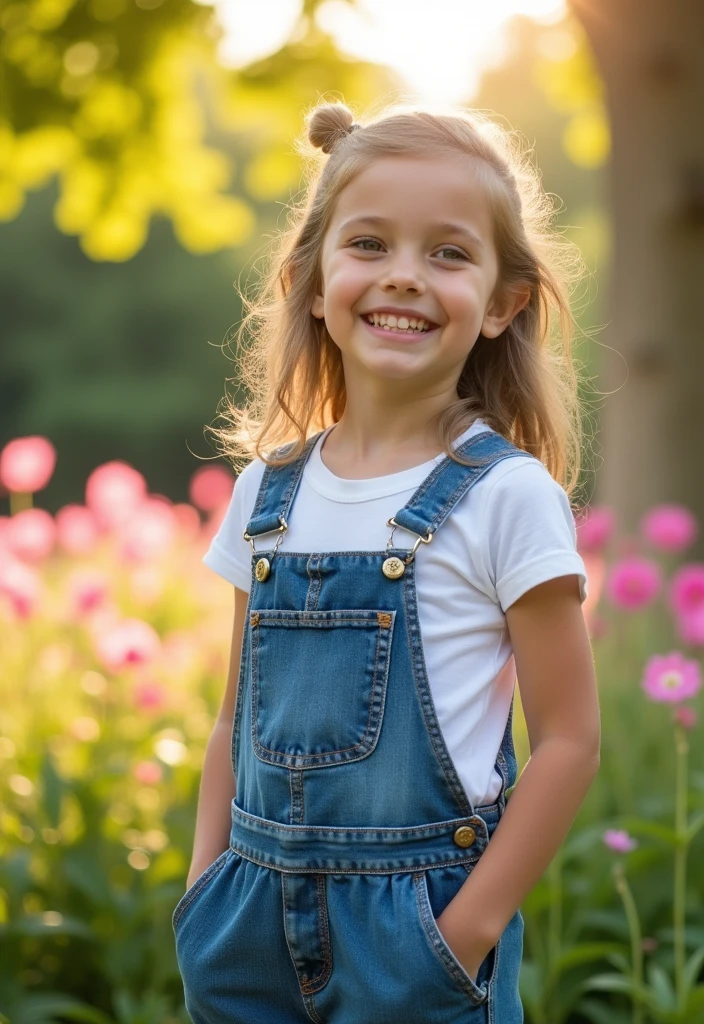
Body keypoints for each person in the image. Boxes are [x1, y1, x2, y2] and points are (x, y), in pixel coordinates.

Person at [172, 99, 601, 1023]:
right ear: (314, 283)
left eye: (448, 253)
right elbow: (232, 726)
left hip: (416, 940)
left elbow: (569, 738)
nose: (404, 277)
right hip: (242, 932)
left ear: (502, 302)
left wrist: (465, 934)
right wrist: (204, 893)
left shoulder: (506, 497)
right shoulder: (266, 494)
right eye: (369, 244)